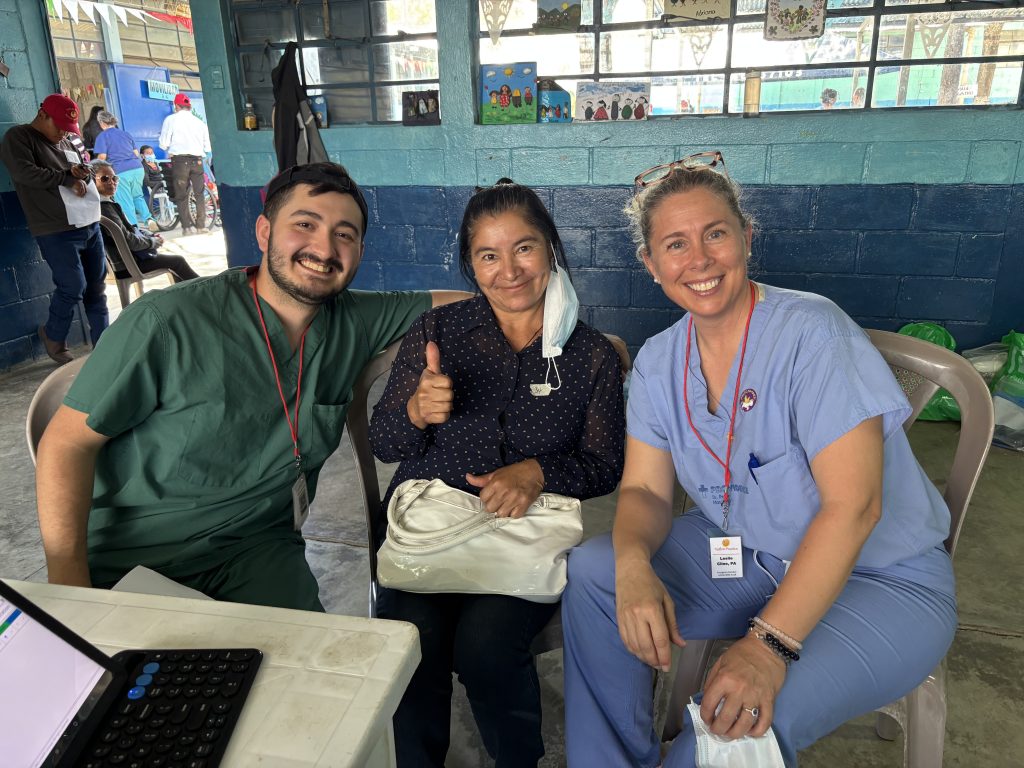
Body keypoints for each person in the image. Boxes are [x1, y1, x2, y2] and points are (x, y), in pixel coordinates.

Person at [561, 152, 957, 767]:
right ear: (651, 264)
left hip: (881, 578)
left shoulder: (813, 333)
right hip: (751, 557)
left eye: (715, 234)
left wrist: (767, 646)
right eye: (675, 244)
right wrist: (633, 563)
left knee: (734, 723)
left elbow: (855, 507)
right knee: (597, 573)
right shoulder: (660, 362)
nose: (699, 260)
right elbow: (643, 492)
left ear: (746, 238)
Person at [35, 162, 472, 611]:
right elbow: (67, 444)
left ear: (359, 251)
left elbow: (467, 304)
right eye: (305, 225)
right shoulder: (167, 322)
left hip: (260, 550)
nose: (324, 249)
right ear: (264, 232)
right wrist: (70, 591)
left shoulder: (355, 319)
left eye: (344, 234)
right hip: (136, 556)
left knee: (315, 654)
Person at [369, 179, 626, 768]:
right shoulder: (436, 333)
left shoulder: (590, 355)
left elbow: (605, 466)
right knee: (411, 645)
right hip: (427, 528)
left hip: (522, 531)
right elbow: (386, 443)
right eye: (488, 255)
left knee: (486, 648)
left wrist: (537, 470)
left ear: (550, 249)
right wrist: (415, 411)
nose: (508, 271)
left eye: (523, 248)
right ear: (471, 264)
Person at [0, 94, 108, 364]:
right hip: (55, 228)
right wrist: (66, 178)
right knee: (73, 285)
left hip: (88, 221)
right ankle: (54, 335)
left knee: (96, 286)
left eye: (67, 128)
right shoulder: (19, 137)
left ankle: (105, 346)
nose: (62, 132)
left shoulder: (68, 139)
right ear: (42, 114)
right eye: (58, 125)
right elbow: (25, 173)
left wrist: (83, 171)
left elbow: (83, 164)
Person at [91, 159, 199, 283]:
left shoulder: (104, 204)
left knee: (174, 264)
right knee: (178, 261)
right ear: (92, 181)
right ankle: (206, 288)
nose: (112, 182)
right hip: (127, 264)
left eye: (114, 178)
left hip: (124, 261)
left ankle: (190, 291)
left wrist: (148, 235)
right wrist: (152, 242)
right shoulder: (105, 207)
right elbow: (129, 241)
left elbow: (129, 230)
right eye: (105, 179)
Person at [158, 93, 211, 234]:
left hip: (180, 162)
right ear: (189, 107)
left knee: (181, 194)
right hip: (197, 161)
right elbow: (207, 147)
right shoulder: (199, 123)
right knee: (199, 193)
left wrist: (169, 146)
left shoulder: (170, 120)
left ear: (176, 106)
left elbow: (163, 144)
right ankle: (201, 226)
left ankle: (186, 228)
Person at [93, 111, 153, 228]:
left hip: (121, 171)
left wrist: (95, 168)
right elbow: (136, 154)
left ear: (102, 122)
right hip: (137, 168)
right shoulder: (125, 134)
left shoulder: (103, 136)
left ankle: (133, 228)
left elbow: (102, 157)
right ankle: (149, 219)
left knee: (125, 200)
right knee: (137, 196)